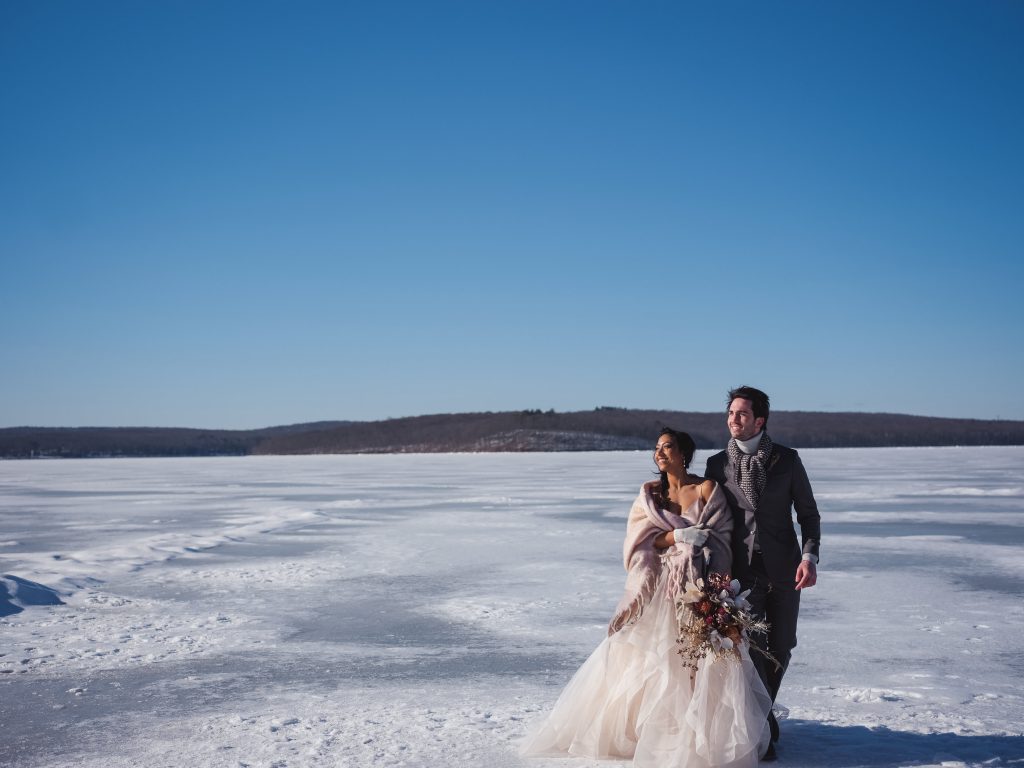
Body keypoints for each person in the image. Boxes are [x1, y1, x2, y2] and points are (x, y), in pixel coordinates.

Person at [522, 428, 771, 768]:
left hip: (698, 587)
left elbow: (722, 540)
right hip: (662, 587)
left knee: (700, 663)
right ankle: (652, 732)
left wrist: (715, 589)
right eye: (657, 448)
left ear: (684, 453)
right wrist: (676, 536)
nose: (660, 453)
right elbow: (640, 543)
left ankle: (697, 734)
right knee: (655, 661)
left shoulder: (705, 489)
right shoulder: (650, 495)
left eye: (667, 447)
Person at [704, 386, 821, 762]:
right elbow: (706, 521)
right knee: (751, 651)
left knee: (782, 645)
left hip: (787, 571)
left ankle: (762, 713)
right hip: (741, 576)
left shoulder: (786, 460)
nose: (733, 420)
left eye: (741, 414)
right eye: (730, 413)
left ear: (759, 420)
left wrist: (809, 557)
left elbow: (808, 515)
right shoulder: (716, 464)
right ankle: (762, 725)